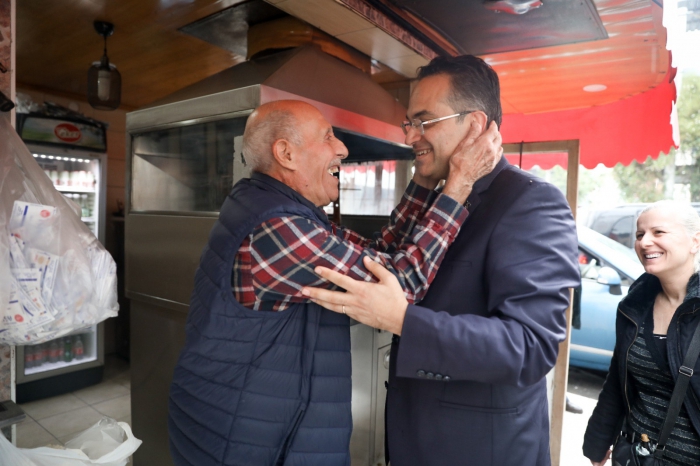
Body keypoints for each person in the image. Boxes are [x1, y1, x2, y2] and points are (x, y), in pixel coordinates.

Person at [167, 99, 502, 466]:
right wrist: (459, 184)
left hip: (254, 429)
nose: (342, 149)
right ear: (286, 154)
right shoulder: (277, 229)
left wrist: (424, 180)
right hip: (240, 442)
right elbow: (401, 284)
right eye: (327, 137)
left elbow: (379, 254)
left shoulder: (283, 210)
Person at [301, 55, 581, 465]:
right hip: (414, 438)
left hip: (480, 451)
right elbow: (391, 258)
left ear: (475, 125)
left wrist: (402, 320)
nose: (411, 135)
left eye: (424, 122)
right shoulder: (440, 196)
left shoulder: (530, 202)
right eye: (409, 123)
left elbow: (531, 347)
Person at [583, 201, 700, 466]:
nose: (645, 242)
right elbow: (618, 379)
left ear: (695, 241)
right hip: (636, 456)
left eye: (659, 232)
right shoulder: (635, 305)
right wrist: (597, 442)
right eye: (639, 234)